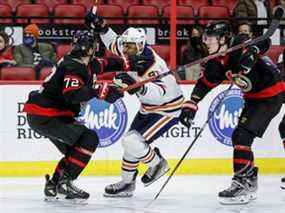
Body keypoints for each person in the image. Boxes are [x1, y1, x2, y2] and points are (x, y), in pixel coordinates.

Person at [179, 21, 285, 205]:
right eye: (205, 38)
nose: (206, 42)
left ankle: (244, 182)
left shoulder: (239, 42)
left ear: (222, 38)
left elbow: (264, 42)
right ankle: (247, 179)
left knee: (244, 135)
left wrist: (251, 53)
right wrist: (192, 102)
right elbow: (205, 83)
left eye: (210, 38)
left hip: (273, 93)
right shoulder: (216, 62)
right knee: (240, 136)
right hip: (255, 98)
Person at [85, 11, 184, 197]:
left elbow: (160, 94)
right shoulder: (129, 49)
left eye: (131, 46)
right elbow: (114, 43)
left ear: (140, 45)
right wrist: (101, 27)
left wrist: (138, 88)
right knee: (132, 142)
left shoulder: (151, 64)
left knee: (131, 140)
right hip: (148, 107)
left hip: (167, 108)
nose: (126, 49)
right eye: (126, 45)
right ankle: (127, 183)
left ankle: (157, 163)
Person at [23, 32, 126, 202]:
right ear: (91, 48)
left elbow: (107, 64)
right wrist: (100, 91)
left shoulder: (86, 63)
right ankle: (65, 183)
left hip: (43, 114)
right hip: (47, 114)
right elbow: (72, 95)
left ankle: (53, 185)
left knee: (75, 151)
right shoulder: (74, 67)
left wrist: (129, 63)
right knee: (89, 138)